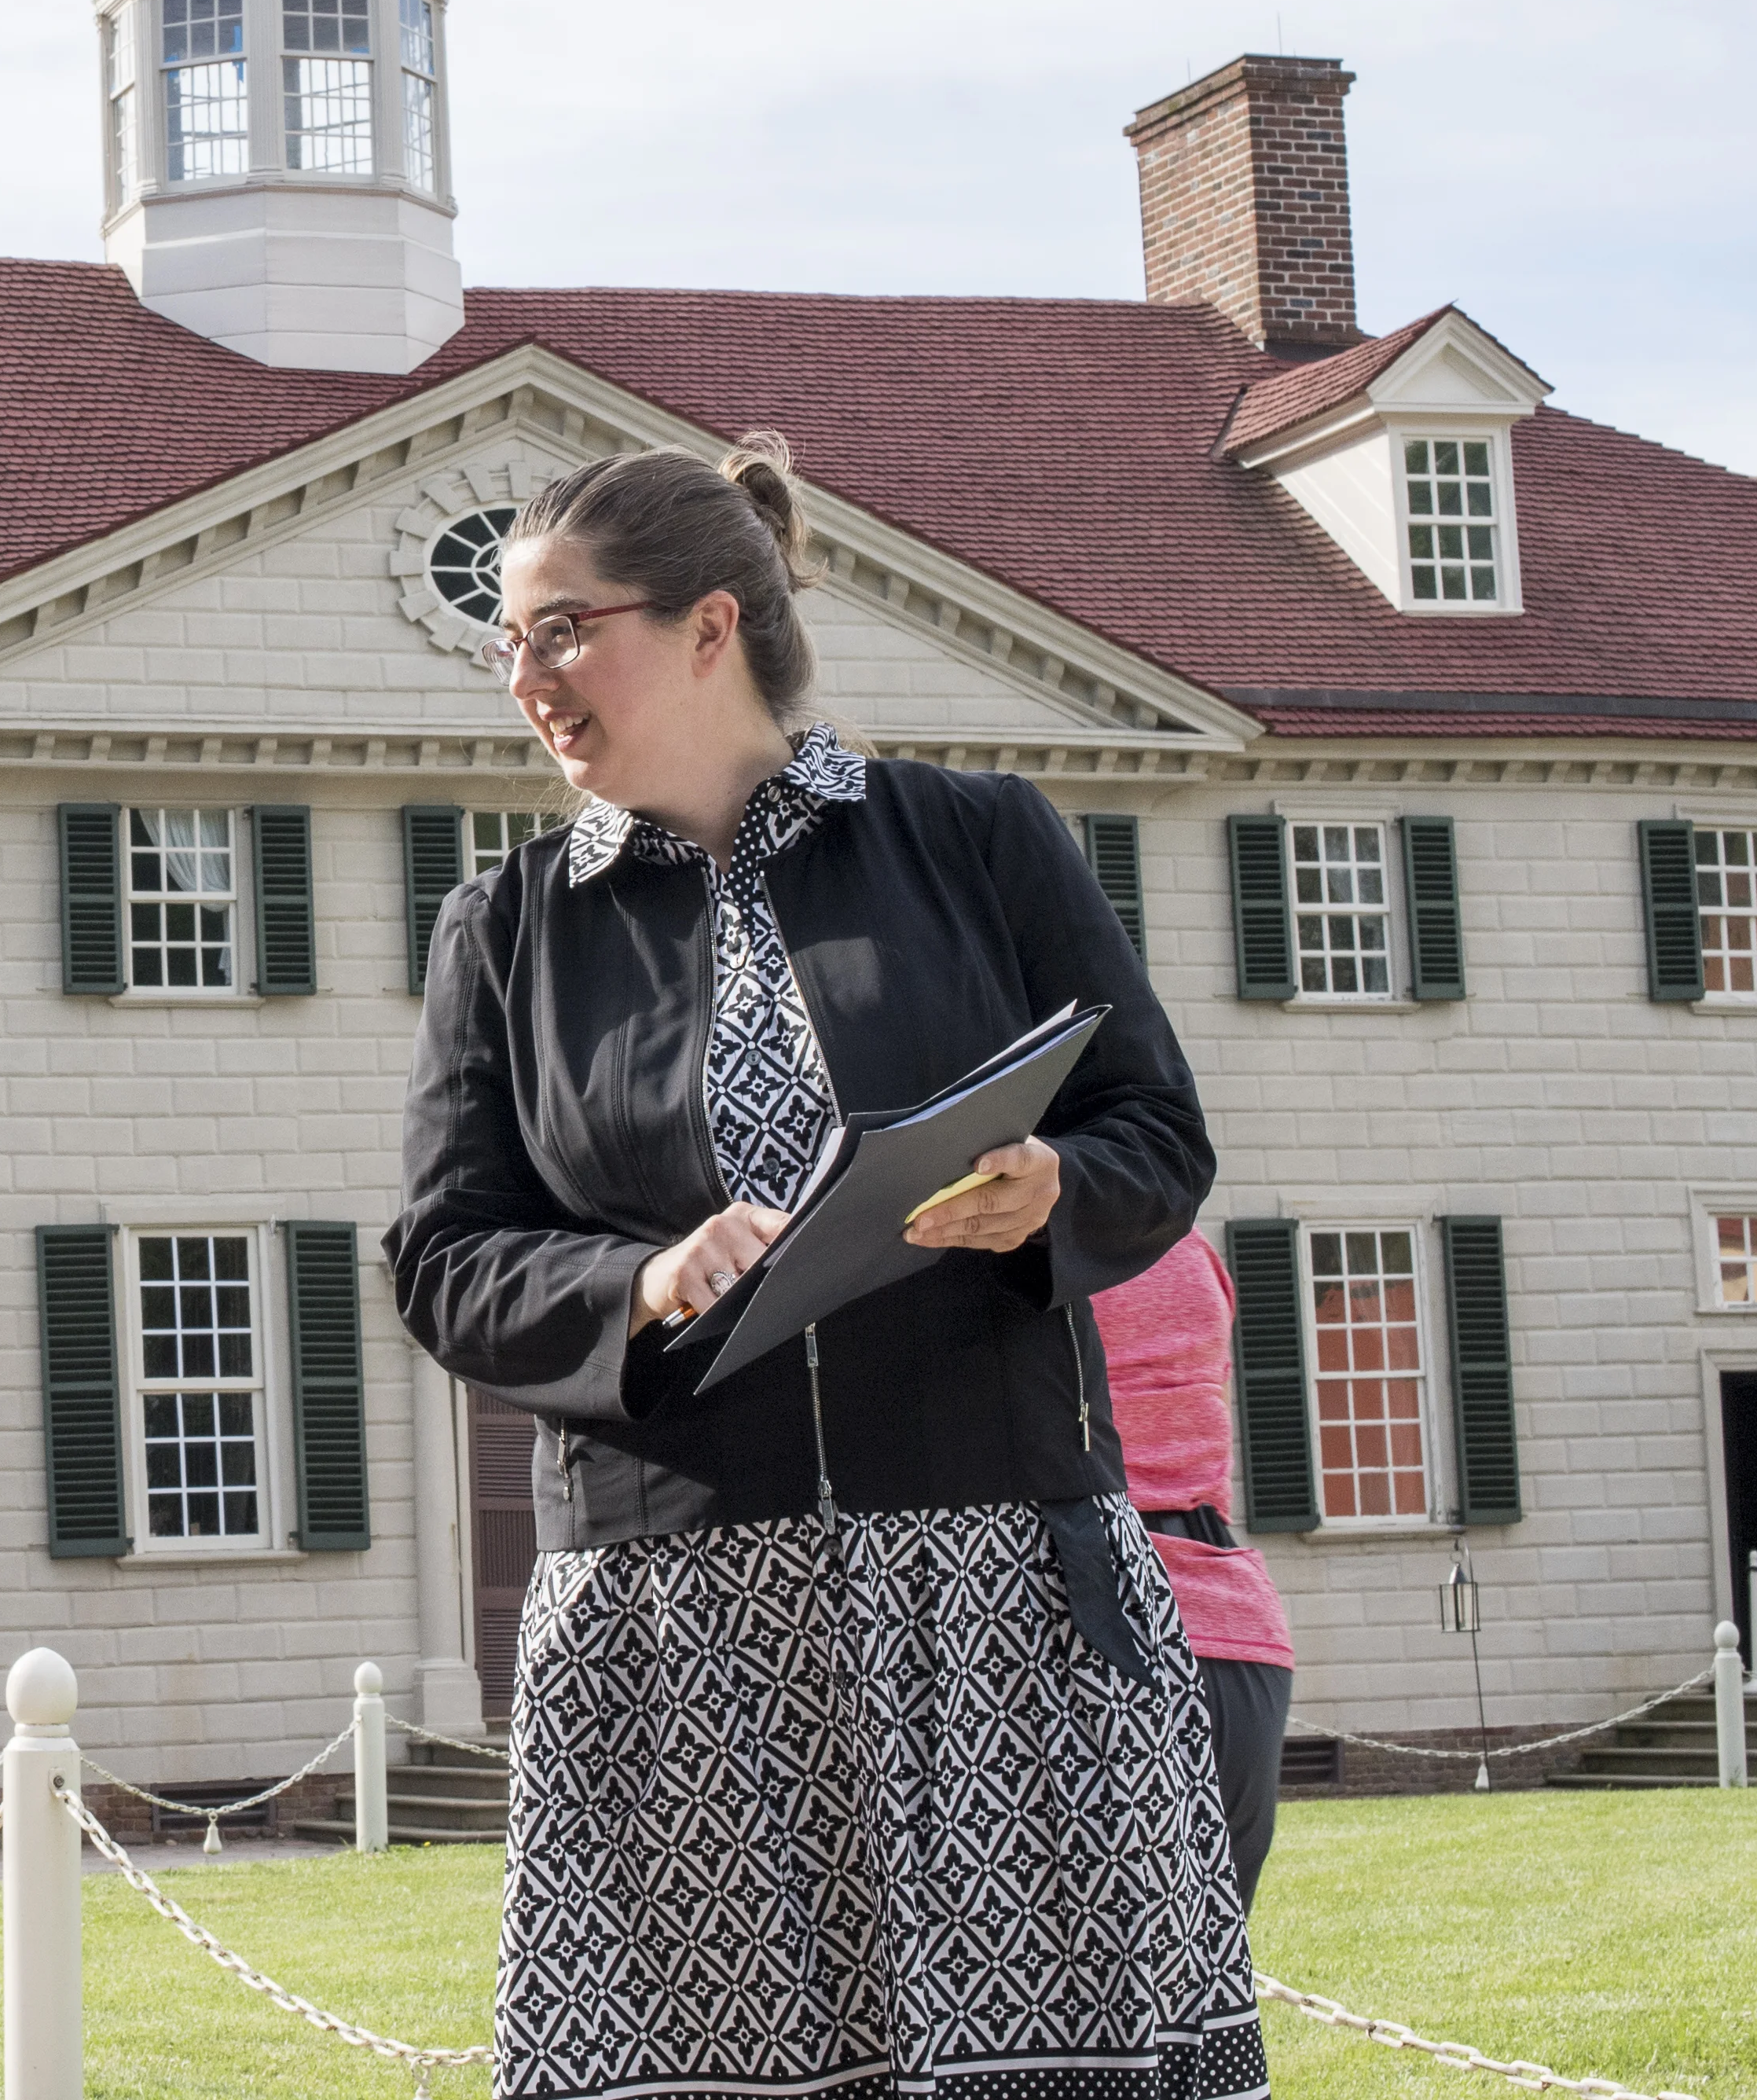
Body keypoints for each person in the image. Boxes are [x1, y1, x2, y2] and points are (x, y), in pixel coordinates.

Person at [390, 440, 1264, 2100]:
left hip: (995, 1593)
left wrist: (1050, 1184)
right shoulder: (500, 928)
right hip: (678, 1623)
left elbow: (1153, 1128)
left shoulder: (980, 839)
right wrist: (636, 1285)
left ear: (708, 623)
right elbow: (443, 1257)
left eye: (561, 629)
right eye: (506, 643)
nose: (525, 678)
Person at [1100, 1232, 1299, 1907]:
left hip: (1098, 1608)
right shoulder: (1192, 1251)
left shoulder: (1000, 1245)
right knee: (1212, 1964)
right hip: (1239, 1624)